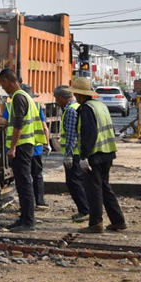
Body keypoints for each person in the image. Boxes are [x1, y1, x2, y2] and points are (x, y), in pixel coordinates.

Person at [71, 77, 127, 234]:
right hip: (108, 152)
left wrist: (84, 156)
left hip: (95, 154)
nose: (75, 96)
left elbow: (90, 134)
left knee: (93, 190)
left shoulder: (86, 109)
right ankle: (118, 220)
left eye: (76, 93)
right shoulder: (100, 106)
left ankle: (95, 223)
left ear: (80, 94)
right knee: (104, 188)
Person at [0, 68, 47, 232]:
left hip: (21, 146)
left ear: (6, 81)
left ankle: (28, 221)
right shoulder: (24, 97)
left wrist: (12, 148)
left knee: (24, 183)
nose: (2, 88)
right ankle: (24, 218)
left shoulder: (19, 97)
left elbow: (18, 124)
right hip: (26, 145)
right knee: (22, 182)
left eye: (2, 84)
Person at [54, 85, 89, 222]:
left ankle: (84, 210)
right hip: (77, 153)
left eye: (57, 98)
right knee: (78, 182)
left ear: (63, 97)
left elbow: (70, 135)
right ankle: (85, 209)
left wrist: (68, 154)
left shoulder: (70, 110)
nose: (56, 101)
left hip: (74, 154)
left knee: (73, 183)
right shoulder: (76, 107)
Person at [22, 84, 51, 212]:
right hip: (36, 148)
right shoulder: (37, 106)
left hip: (21, 147)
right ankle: (40, 201)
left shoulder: (11, 106)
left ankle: (26, 205)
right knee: (37, 175)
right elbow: (45, 127)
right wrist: (47, 144)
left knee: (24, 176)